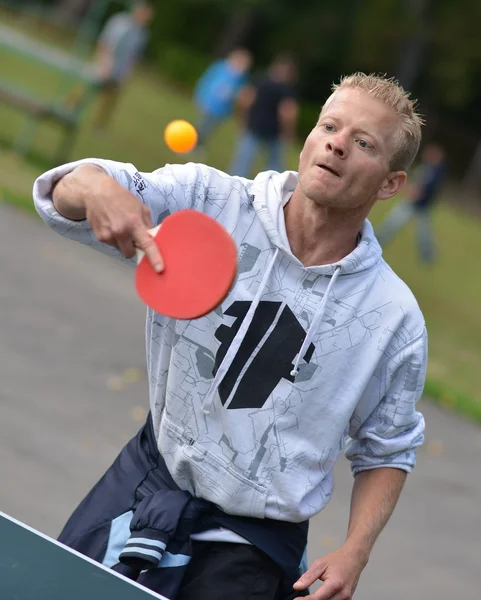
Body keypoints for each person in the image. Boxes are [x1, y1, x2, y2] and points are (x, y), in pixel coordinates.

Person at [33, 72, 427, 600]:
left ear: (389, 184)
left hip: (254, 550)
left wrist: (356, 549)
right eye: (329, 125)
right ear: (309, 136)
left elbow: (386, 448)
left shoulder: (393, 318)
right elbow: (65, 193)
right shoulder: (209, 202)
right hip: (143, 490)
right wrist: (97, 187)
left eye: (363, 143)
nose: (336, 143)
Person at [68, 1, 154, 132]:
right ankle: (69, 108)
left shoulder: (142, 34)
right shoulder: (119, 22)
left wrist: (127, 72)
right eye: (144, 13)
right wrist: (105, 64)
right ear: (137, 11)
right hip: (104, 63)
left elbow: (134, 56)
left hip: (120, 71)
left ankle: (99, 126)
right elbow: (104, 42)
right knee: (86, 89)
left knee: (111, 100)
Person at [229, 54, 299, 177]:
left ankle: (230, 187)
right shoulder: (286, 89)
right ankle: (276, 192)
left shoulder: (260, 79)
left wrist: (242, 118)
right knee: (275, 167)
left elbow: (244, 99)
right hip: (274, 133)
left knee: (242, 163)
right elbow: (287, 113)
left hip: (254, 126)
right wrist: (288, 133)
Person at [376, 142, 446, 263]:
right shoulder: (426, 168)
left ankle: (428, 255)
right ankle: (377, 241)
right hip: (412, 203)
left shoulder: (436, 172)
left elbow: (427, 188)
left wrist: (417, 193)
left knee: (422, 233)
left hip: (420, 206)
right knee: (393, 222)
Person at [193, 48, 252, 149]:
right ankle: (192, 143)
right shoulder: (220, 67)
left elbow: (240, 95)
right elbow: (206, 80)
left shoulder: (242, 78)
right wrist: (200, 96)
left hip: (222, 110)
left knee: (209, 128)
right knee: (203, 125)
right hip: (210, 103)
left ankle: (198, 145)